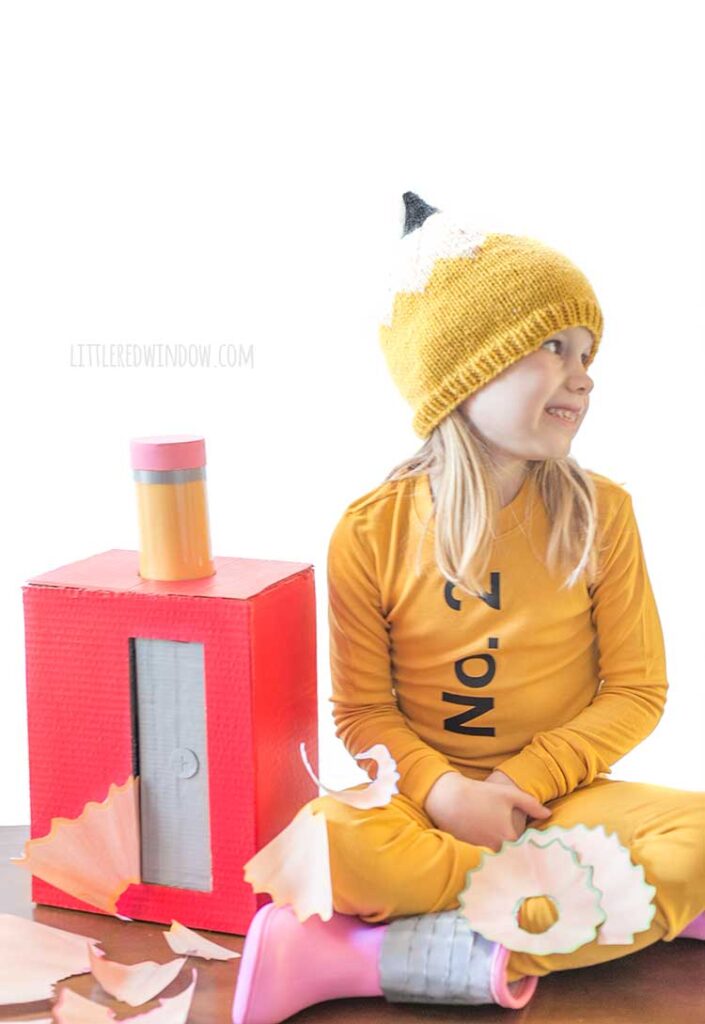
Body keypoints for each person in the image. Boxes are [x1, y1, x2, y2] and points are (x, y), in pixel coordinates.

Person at [232, 192, 705, 1024]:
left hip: (556, 803)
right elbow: (365, 711)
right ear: (465, 371)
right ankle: (605, 913)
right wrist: (448, 795)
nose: (584, 374)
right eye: (553, 347)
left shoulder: (602, 513)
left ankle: (367, 959)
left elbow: (635, 693)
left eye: (587, 352)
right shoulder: (369, 531)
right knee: (325, 840)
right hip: (424, 812)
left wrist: (520, 782)